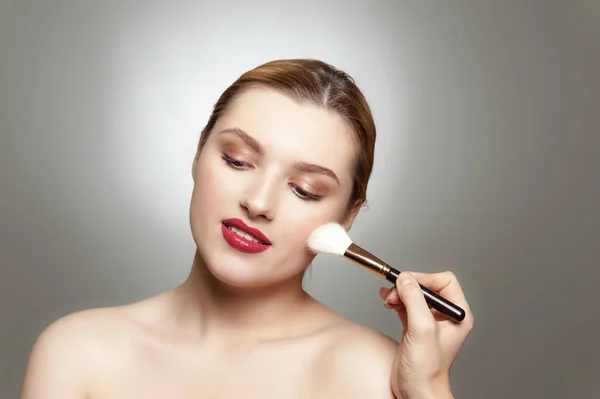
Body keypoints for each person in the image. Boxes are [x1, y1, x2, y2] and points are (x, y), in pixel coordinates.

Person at [20, 59, 474, 398]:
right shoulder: (77, 353)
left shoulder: (373, 375)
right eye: (237, 161)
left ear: (347, 217)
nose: (257, 202)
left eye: (305, 190)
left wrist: (429, 391)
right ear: (198, 154)